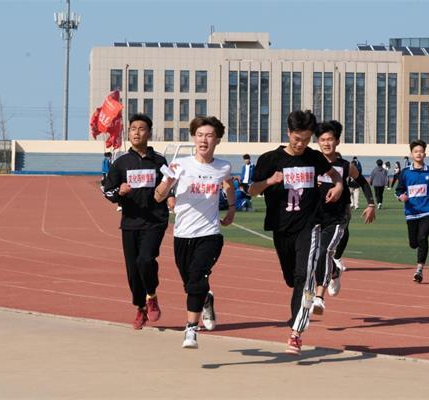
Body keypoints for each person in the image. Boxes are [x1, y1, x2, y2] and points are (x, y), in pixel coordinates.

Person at [248, 110, 343, 356]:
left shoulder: (314, 157)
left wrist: (339, 186)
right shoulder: (270, 159)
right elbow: (251, 190)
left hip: (309, 226)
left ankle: (296, 332)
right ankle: (324, 274)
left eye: (307, 139)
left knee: (304, 276)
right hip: (281, 227)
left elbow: (334, 174)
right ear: (288, 133)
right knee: (292, 279)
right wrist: (270, 181)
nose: (301, 144)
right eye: (297, 139)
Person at [154, 116, 235, 349]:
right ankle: (206, 298)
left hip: (209, 234)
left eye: (209, 135)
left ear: (217, 140)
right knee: (191, 284)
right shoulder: (180, 165)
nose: (203, 140)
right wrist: (168, 183)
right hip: (182, 235)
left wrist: (231, 209)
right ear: (194, 138)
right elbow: (158, 197)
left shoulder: (223, 166)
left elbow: (228, 184)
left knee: (197, 278)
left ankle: (191, 329)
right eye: (199, 135)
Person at [103, 113, 170, 330]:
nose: (136, 133)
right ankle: (140, 307)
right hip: (130, 222)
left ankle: (152, 295)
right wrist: (119, 192)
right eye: (133, 129)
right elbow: (108, 191)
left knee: (145, 260)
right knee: (133, 271)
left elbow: (169, 183)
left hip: (155, 220)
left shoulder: (159, 161)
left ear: (149, 133)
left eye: (141, 129)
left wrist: (170, 196)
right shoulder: (121, 162)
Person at [310, 120, 376, 316]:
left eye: (330, 139)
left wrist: (371, 204)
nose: (326, 143)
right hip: (314, 217)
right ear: (318, 142)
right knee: (315, 255)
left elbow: (363, 182)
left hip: (338, 217)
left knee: (325, 251)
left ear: (337, 141)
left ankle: (319, 298)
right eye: (322, 140)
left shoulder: (346, 166)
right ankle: (334, 272)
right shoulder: (312, 164)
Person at [395, 139, 429, 283]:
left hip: (427, 210)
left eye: (421, 151)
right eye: (415, 151)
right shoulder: (405, 173)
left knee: (423, 238)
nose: (418, 154)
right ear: (411, 154)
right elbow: (398, 190)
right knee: (414, 243)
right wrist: (401, 196)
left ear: (425, 154)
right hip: (411, 212)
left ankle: (419, 269)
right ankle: (419, 249)